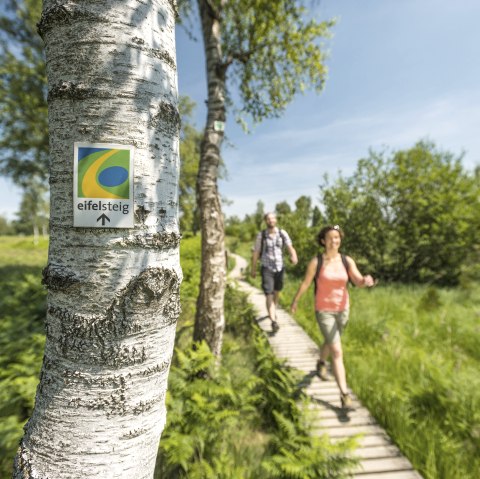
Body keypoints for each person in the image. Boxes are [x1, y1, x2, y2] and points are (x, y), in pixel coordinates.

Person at [290, 225, 375, 409]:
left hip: (343, 309)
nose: (334, 241)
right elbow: (306, 283)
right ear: (323, 241)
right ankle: (344, 395)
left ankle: (321, 362)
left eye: (336, 237)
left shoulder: (346, 260)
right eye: (330, 238)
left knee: (330, 341)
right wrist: (295, 300)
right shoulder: (316, 262)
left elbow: (357, 281)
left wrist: (365, 281)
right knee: (337, 351)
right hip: (324, 310)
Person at [251, 212, 298, 332]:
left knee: (277, 292)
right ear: (265, 221)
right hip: (267, 267)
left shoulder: (282, 233)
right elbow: (256, 252)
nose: (271, 221)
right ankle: (273, 321)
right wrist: (254, 268)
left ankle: (273, 310)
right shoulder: (261, 235)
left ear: (275, 220)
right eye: (268, 219)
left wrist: (294, 256)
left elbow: (290, 246)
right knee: (269, 293)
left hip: (280, 267)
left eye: (272, 218)